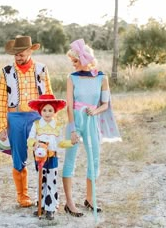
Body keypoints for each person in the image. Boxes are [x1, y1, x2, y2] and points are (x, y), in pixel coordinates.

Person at [62, 39, 122, 217]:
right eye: (72, 61)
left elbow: (105, 104)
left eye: (75, 61)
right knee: (70, 160)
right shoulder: (71, 78)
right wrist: (72, 129)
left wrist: (95, 110)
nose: (73, 65)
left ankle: (90, 198)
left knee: (94, 160)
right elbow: (69, 105)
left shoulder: (102, 78)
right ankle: (69, 202)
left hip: (91, 121)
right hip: (75, 122)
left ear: (85, 58)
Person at [0, 35, 53, 207]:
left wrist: (51, 120)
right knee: (18, 157)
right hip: (15, 118)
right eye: (16, 55)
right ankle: (23, 195)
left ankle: (45, 195)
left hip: (37, 117)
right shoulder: (7, 71)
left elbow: (48, 94)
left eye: (21, 54)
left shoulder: (41, 69)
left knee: (43, 153)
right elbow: (1, 100)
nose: (18, 58)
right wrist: (2, 125)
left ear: (30, 51)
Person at [27, 94, 68, 220]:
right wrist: (35, 144)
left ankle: (50, 207)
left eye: (50, 110)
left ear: (54, 111)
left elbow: (61, 142)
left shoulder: (57, 125)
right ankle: (41, 205)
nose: (47, 113)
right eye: (44, 110)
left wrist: (71, 142)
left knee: (51, 181)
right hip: (39, 157)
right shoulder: (36, 124)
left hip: (52, 157)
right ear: (40, 111)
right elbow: (30, 139)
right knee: (41, 181)